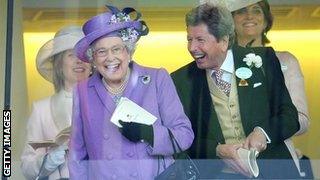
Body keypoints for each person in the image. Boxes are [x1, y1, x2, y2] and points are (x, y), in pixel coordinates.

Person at [171, 3, 300, 179]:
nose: (192, 48)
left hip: (274, 172)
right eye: (189, 39)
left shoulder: (264, 60)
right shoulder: (181, 79)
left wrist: (262, 133)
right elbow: (181, 137)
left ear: (224, 41)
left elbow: (289, 117)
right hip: (218, 175)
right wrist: (217, 150)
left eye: (200, 40)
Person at [68, 5, 194, 179]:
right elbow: (77, 155)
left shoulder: (157, 79)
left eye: (116, 49)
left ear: (129, 52)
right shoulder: (82, 91)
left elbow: (184, 136)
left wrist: (149, 133)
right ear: (93, 59)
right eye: (101, 52)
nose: (110, 58)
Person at [230, 0, 311, 177]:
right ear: (231, 20)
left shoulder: (286, 60)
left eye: (257, 11)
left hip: (278, 161)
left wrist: (264, 132)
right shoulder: (220, 64)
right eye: (241, 11)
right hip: (232, 161)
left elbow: (302, 119)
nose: (249, 16)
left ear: (266, 20)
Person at [21, 26, 91, 179]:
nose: (79, 61)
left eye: (84, 55)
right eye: (71, 55)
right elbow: (27, 166)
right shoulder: (41, 109)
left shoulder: (107, 103)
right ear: (59, 64)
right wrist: (49, 161)